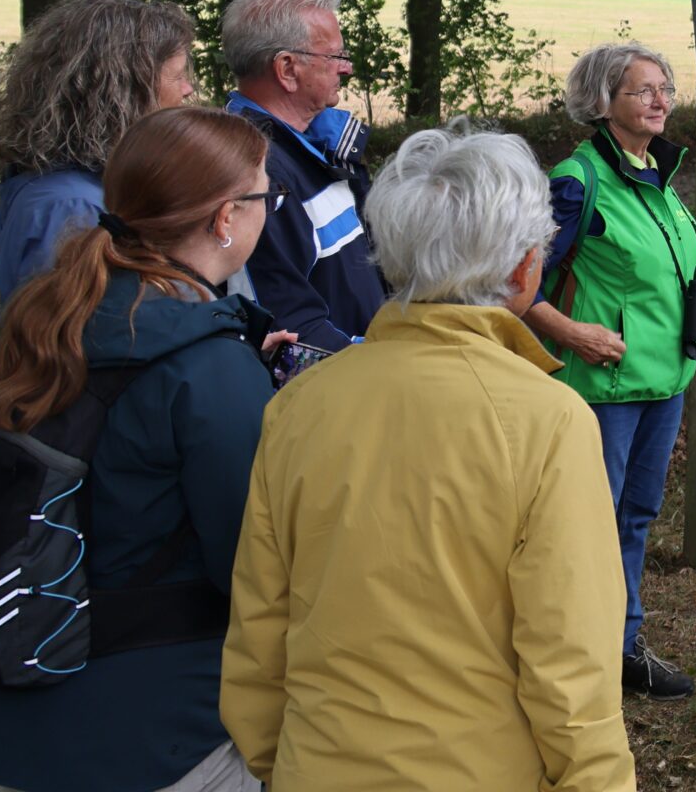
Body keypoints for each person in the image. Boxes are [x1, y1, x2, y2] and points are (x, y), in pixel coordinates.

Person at [222, 127, 634, 792]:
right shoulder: (550, 422)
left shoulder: (300, 406)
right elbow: (571, 662)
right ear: (527, 267)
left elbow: (259, 631)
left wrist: (285, 759)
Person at [0, 106, 281, 792]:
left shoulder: (40, 315)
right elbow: (258, 571)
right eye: (265, 197)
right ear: (227, 219)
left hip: (27, 706)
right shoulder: (207, 367)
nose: (268, 213)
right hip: (164, 732)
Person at [522, 43, 696, 700]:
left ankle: (620, 647)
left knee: (634, 518)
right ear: (604, 103)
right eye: (643, 90)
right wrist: (574, 333)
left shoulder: (657, 172)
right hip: (604, 387)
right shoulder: (577, 181)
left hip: (665, 381)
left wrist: (693, 321)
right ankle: (573, 654)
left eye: (665, 87)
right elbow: (516, 287)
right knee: (590, 522)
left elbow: (668, 269)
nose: (661, 100)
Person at [0, 0, 198, 302]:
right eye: (177, 76)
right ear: (122, 92)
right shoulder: (71, 208)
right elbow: (69, 336)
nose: (188, 89)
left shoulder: (86, 182)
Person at [219, 0, 386, 350]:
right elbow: (290, 334)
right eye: (335, 56)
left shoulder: (318, 145)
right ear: (287, 69)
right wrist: (387, 371)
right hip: (335, 393)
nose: (347, 68)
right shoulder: (255, 172)